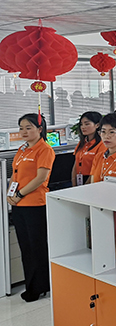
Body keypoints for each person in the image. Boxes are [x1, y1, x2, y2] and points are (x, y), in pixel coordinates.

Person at [8, 114, 55, 302]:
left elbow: (40, 178)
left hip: (35, 204)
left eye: (28, 127)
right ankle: (31, 285)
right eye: (21, 128)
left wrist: (19, 194)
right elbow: (15, 174)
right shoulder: (22, 149)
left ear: (40, 129)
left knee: (37, 247)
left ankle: (40, 287)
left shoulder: (44, 149)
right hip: (19, 205)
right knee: (25, 247)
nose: (24, 131)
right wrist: (10, 193)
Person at [72, 111, 105, 186]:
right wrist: (74, 184)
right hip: (79, 178)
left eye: (87, 124)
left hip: (93, 181)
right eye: (81, 124)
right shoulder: (82, 143)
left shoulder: (102, 144)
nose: (83, 127)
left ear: (97, 125)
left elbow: (97, 168)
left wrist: (86, 185)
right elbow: (75, 164)